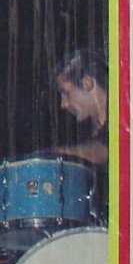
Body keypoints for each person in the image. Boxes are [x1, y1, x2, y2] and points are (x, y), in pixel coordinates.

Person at [52, 48, 109, 220]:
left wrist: (56, 155)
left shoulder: (124, 115)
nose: (63, 104)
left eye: (66, 93)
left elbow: (105, 150)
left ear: (87, 83)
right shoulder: (84, 132)